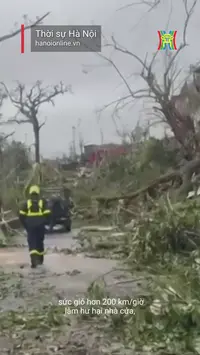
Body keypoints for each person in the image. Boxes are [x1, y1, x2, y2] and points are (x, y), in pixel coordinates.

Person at [19, 185, 51, 268]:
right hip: (40, 225)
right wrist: (45, 223)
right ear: (38, 193)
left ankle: (34, 261)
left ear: (30, 193)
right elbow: (47, 213)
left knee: (32, 242)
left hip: (30, 225)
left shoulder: (26, 203)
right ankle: (40, 260)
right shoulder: (43, 202)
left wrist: (26, 226)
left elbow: (21, 216)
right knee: (40, 241)